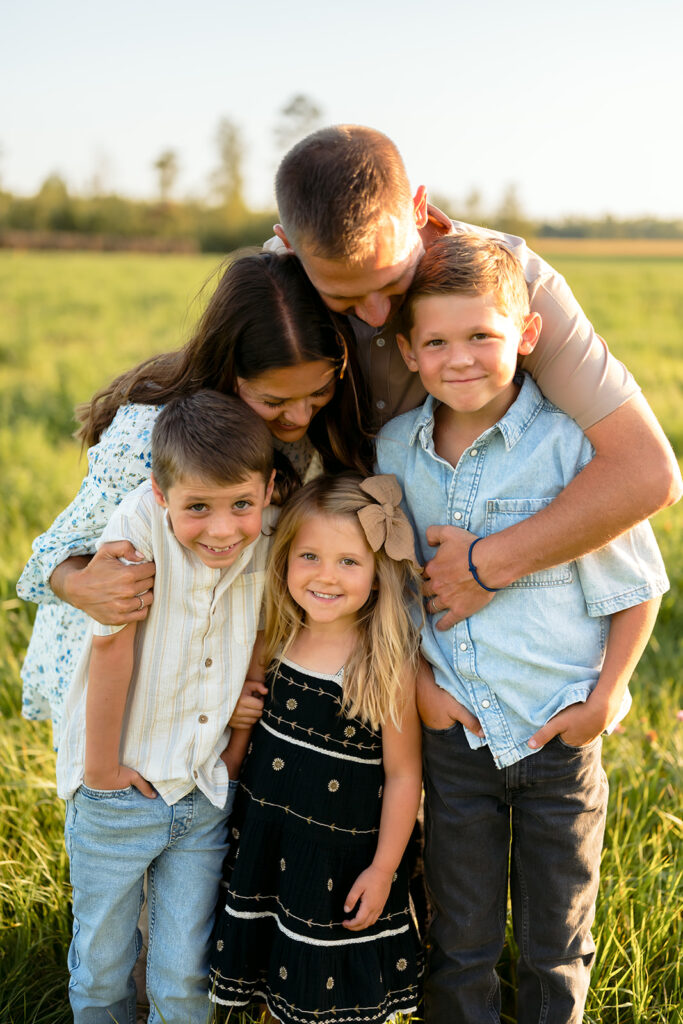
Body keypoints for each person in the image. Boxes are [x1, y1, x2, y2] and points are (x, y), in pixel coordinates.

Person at [375, 234, 669, 1023]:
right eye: (435, 341)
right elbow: (390, 591)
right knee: (459, 938)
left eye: (482, 336)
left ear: (526, 336)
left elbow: (636, 586)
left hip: (558, 737)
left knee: (554, 940)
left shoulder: (572, 450)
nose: (458, 358)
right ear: (407, 351)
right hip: (455, 740)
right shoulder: (393, 454)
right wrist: (421, 687)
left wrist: (606, 698)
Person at [269, 124, 681, 641]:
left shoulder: (516, 288)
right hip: (323, 559)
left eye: (393, 282)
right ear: (287, 248)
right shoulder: (274, 284)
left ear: (419, 209)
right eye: (344, 300)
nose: (376, 316)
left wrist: (488, 564)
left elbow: (647, 471)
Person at [17, 250, 373, 735]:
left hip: (210, 683)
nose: (299, 417)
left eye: (319, 395)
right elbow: (55, 550)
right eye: (274, 402)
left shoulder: (313, 439)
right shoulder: (150, 437)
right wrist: (78, 584)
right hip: (116, 684)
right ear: (228, 370)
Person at [57, 390, 278, 1024]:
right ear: (162, 493)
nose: (222, 528)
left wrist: (231, 765)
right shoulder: (135, 530)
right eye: (197, 508)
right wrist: (100, 773)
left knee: (184, 972)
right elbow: (111, 652)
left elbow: (258, 645)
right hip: (118, 791)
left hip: (203, 794)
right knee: (101, 963)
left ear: (265, 490)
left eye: (241, 504)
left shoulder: (263, 537)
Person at [208, 473, 424, 1024]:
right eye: (309, 556)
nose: (326, 576)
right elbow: (244, 730)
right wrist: (237, 714)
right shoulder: (273, 636)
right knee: (268, 974)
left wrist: (382, 870)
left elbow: (403, 776)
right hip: (265, 841)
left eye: (349, 562)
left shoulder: (386, 663)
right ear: (284, 560)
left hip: (338, 861)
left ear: (378, 575)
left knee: (323, 991)